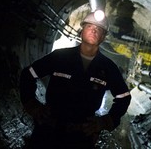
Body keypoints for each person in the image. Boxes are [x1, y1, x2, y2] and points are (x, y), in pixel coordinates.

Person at [20, 11, 131, 149]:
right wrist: (31, 103)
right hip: (49, 129)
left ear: (103, 37)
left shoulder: (108, 67)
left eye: (99, 29)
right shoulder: (60, 57)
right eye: (90, 26)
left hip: (81, 136)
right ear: (81, 30)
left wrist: (105, 121)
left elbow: (124, 97)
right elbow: (28, 74)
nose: (94, 30)